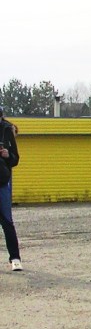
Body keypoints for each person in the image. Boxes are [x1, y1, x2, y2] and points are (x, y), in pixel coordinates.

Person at [0, 105, 22, 272]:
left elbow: (15, 159)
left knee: (7, 220)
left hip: (2, 180)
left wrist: (8, 155)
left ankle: (15, 258)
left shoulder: (7, 130)